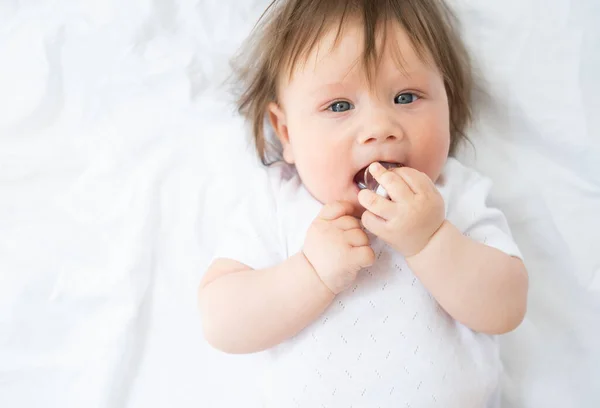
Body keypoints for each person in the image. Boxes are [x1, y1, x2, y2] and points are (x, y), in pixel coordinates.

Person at [199, 0, 529, 406]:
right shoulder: (276, 202)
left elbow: (507, 307)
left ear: (449, 101)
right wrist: (311, 273)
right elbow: (220, 321)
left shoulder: (453, 194)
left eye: (407, 97)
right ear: (286, 132)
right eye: (339, 106)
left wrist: (431, 241)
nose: (379, 129)